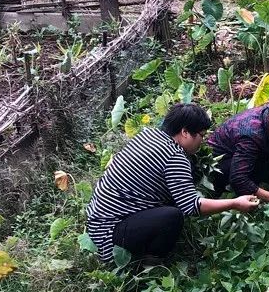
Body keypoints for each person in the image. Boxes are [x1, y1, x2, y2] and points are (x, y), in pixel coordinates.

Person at [86, 102, 259, 265]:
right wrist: (235, 203)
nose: (203, 141)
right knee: (172, 217)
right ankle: (149, 263)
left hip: (96, 220)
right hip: (109, 237)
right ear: (184, 132)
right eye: (201, 135)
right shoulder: (174, 157)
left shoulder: (148, 134)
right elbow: (192, 206)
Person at [207, 97, 269, 212]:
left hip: (240, 152)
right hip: (217, 166)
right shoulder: (251, 136)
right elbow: (238, 179)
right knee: (247, 177)